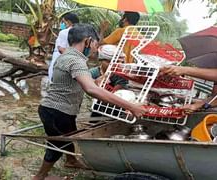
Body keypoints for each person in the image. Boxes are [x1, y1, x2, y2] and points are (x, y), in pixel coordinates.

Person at [33, 24, 146, 180]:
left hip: (62, 110)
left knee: (69, 134)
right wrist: (131, 106)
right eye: (95, 44)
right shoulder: (75, 61)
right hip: (56, 111)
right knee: (56, 146)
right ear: (87, 41)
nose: (95, 49)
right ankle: (40, 176)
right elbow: (91, 89)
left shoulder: (68, 56)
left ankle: (71, 160)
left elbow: (77, 80)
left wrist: (95, 80)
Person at [48, 12, 79, 82]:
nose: (62, 24)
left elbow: (61, 49)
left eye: (63, 22)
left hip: (59, 58)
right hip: (72, 61)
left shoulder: (64, 32)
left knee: (54, 80)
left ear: (69, 22)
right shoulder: (80, 33)